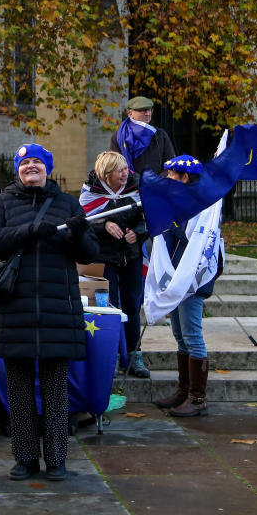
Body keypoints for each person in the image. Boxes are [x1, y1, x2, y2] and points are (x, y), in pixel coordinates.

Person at [0, 143, 98, 482]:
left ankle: (58, 460)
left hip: (56, 309)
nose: (31, 167)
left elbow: (89, 251)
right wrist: (28, 231)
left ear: (48, 167)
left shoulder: (67, 203)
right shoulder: (4, 202)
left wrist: (77, 233)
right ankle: (26, 458)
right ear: (18, 170)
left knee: (55, 392)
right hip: (14, 310)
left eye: (37, 162)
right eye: (24, 163)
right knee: (18, 390)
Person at [153, 155, 218, 417]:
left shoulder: (201, 206)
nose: (167, 179)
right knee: (180, 335)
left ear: (185, 178)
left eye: (171, 175)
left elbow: (194, 238)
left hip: (192, 279)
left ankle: (197, 398)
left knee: (192, 335)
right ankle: (184, 390)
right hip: (177, 275)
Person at [80, 151, 149, 378]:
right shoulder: (91, 191)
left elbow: (148, 218)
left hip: (131, 255)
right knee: (109, 306)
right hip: (103, 256)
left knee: (131, 304)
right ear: (107, 174)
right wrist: (105, 224)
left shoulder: (136, 187)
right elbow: (83, 221)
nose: (125, 173)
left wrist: (138, 234)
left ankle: (133, 354)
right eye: (119, 170)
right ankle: (113, 354)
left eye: (125, 168)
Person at [109, 96, 176, 176]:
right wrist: (135, 181)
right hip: (130, 185)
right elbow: (115, 166)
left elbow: (171, 163)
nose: (148, 114)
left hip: (157, 184)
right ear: (130, 113)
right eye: (142, 111)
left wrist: (157, 180)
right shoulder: (119, 136)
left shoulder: (161, 135)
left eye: (149, 110)